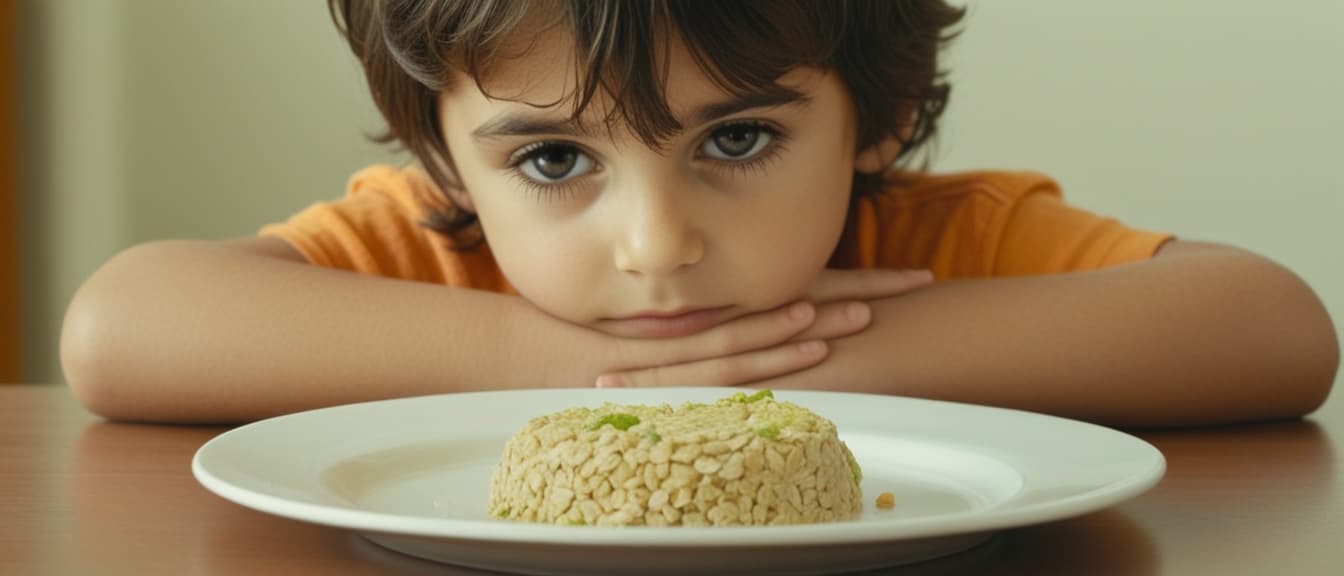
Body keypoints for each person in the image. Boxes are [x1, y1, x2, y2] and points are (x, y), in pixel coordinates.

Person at [60, 0, 1337, 426]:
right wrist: (572, 366)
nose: (656, 244)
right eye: (554, 162)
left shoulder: (935, 243)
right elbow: (119, 331)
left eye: (735, 137)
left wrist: (805, 367)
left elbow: (1272, 326)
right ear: (446, 162)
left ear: (877, 119)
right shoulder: (434, 252)